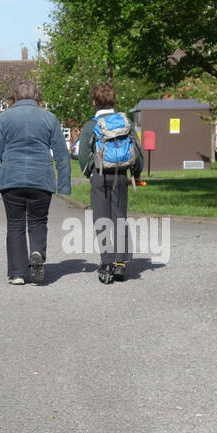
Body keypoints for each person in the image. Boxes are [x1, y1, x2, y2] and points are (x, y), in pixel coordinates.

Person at [0, 80, 73, 284]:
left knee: (15, 224)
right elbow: (62, 154)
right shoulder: (49, 118)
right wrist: (64, 186)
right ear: (37, 96)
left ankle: (17, 273)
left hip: (11, 179)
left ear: (14, 97)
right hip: (41, 178)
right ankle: (37, 252)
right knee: (38, 221)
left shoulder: (3, 119)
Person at [78, 82, 143, 283]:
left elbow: (82, 156)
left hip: (99, 175)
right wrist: (136, 172)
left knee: (102, 219)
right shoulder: (126, 122)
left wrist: (88, 173)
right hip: (121, 175)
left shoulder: (91, 125)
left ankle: (107, 262)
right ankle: (121, 263)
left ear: (94, 102)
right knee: (119, 217)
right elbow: (138, 152)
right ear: (113, 100)